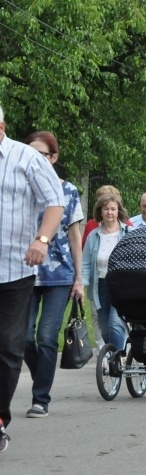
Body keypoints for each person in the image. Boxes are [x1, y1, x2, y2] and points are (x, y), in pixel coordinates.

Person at [0, 107, 65, 453]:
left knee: (9, 346)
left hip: (14, 269)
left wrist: (41, 239)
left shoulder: (26, 158)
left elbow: (55, 201)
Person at [22, 132, 84, 419]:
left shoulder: (68, 191)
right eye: (30, 153)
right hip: (24, 272)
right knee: (23, 338)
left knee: (47, 336)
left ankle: (40, 399)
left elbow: (74, 236)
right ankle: (42, 377)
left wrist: (79, 279)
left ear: (53, 157)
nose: (34, 159)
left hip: (59, 275)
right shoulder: (21, 187)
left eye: (41, 154)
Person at [82, 193, 133, 353]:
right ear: (100, 212)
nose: (109, 212)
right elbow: (85, 264)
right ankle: (113, 354)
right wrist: (81, 285)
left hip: (122, 285)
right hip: (101, 285)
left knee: (114, 323)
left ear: (118, 211)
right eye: (106, 209)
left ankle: (117, 357)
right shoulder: (93, 236)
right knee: (103, 326)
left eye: (113, 209)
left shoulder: (129, 232)